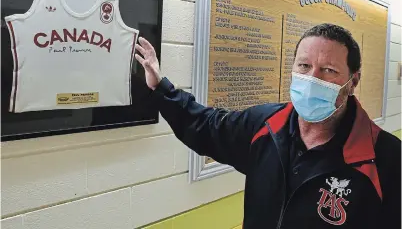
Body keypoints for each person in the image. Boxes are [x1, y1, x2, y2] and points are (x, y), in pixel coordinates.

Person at [134, 23, 401, 229]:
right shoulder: (266, 126)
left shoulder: (387, 160)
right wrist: (161, 88)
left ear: (353, 81)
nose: (312, 78)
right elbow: (206, 124)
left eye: (328, 70)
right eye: (304, 66)